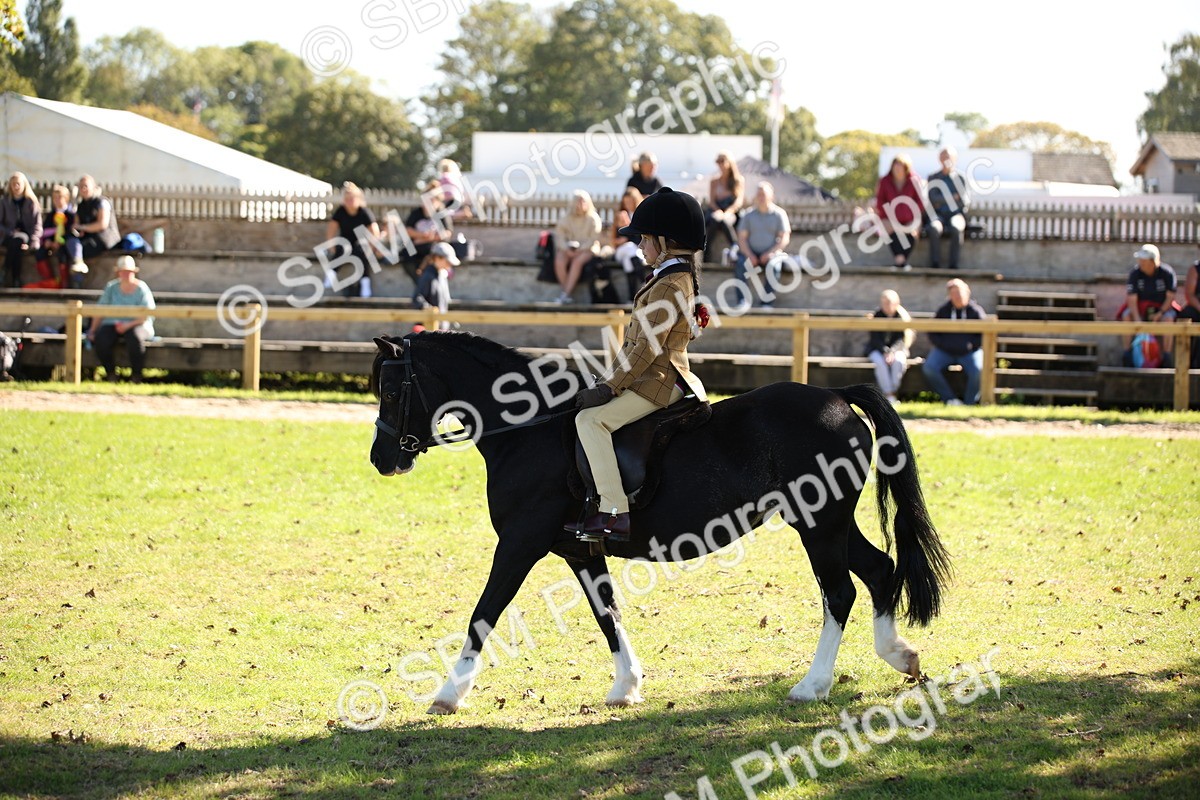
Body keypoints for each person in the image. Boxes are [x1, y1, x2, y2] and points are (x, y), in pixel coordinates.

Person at [570, 187, 708, 541]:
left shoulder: (667, 285)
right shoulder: (675, 277)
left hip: (659, 380)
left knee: (590, 421)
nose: (640, 246)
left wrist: (607, 388)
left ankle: (614, 513)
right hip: (657, 373)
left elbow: (645, 349)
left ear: (666, 241)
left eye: (645, 239)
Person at [87, 255, 155, 383]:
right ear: (118, 272)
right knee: (101, 338)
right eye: (123, 271)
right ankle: (111, 374)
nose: (126, 274)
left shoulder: (141, 288)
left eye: (128, 271)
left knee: (134, 338)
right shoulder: (111, 287)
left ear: (134, 272)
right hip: (113, 323)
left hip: (138, 324)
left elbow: (146, 314)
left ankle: (136, 376)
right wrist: (92, 330)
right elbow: (100, 310)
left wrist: (127, 326)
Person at [922, 278, 987, 405]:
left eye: (960, 292)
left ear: (967, 293)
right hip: (945, 351)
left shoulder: (975, 311)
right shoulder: (943, 310)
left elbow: (984, 333)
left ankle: (969, 403)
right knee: (929, 367)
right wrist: (941, 344)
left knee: (978, 370)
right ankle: (950, 400)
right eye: (954, 293)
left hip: (969, 353)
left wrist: (972, 345)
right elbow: (932, 330)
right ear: (949, 296)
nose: (957, 296)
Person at [1118, 244, 1179, 368]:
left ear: (1153, 261)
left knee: (1168, 319)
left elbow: (1170, 297)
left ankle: (1167, 357)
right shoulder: (1135, 273)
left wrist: (1160, 313)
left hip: (1162, 308)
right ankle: (1127, 354)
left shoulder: (1167, 273)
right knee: (1127, 316)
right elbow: (1132, 299)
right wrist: (1138, 320)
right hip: (1140, 309)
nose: (1141, 263)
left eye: (1144, 261)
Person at [734, 181, 790, 309]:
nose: (761, 197)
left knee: (775, 266)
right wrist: (749, 255)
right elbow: (742, 239)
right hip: (750, 253)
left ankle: (766, 303)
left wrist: (771, 253)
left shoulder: (779, 214)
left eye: (763, 194)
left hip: (772, 254)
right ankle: (742, 302)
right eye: (758, 194)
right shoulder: (748, 215)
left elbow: (784, 238)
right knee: (740, 264)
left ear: (771, 196)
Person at [325, 181, 385, 298]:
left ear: (358, 199)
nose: (349, 201)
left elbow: (374, 231)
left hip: (360, 244)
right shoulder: (340, 212)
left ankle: (365, 284)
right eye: (347, 199)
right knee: (342, 248)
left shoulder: (364, 212)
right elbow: (331, 229)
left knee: (363, 251)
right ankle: (331, 274)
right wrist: (330, 244)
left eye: (352, 198)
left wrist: (373, 247)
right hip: (345, 242)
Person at [865, 289, 915, 405]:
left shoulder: (902, 317)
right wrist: (885, 351)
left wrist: (891, 351)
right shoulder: (876, 316)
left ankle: (892, 391)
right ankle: (888, 394)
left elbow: (901, 339)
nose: (887, 306)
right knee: (880, 362)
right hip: (877, 349)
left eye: (889, 303)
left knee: (898, 361)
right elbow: (875, 339)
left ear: (896, 303)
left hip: (897, 349)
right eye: (884, 303)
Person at [552, 189, 602, 304]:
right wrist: (566, 249)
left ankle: (565, 294)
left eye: (583, 202)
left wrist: (580, 250)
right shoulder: (566, 218)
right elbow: (559, 236)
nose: (580, 205)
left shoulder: (593, 218)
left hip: (588, 249)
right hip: (569, 249)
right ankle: (567, 294)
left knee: (577, 262)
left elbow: (593, 238)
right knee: (559, 260)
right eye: (578, 202)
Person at [875, 155, 924, 270]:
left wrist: (909, 216)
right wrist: (891, 216)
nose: (897, 169)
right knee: (890, 230)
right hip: (890, 219)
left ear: (906, 168)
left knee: (912, 231)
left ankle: (900, 261)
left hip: (910, 218)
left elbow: (920, 202)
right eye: (895, 166)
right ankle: (900, 261)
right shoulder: (884, 181)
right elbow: (880, 201)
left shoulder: (914, 180)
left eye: (900, 167)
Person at [924, 147, 970, 269]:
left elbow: (963, 202)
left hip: (956, 214)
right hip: (938, 215)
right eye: (943, 157)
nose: (946, 159)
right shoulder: (933, 177)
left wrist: (942, 199)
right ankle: (935, 264)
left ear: (955, 159)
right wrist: (952, 197)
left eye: (948, 157)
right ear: (939, 159)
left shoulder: (960, 178)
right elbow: (933, 199)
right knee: (934, 228)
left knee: (956, 228)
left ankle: (953, 265)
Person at [1, 172, 44, 288]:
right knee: (16, 243)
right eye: (13, 184)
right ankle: (15, 279)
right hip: (8, 236)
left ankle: (5, 272)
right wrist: (9, 232)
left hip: (26, 236)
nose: (16, 187)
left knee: (17, 242)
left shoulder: (31, 203)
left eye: (18, 184)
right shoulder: (4, 202)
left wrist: (33, 241)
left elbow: (37, 225)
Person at [37, 183, 85, 287]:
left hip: (64, 242)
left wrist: (59, 241)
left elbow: (71, 231)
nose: (57, 200)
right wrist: (48, 241)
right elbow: (45, 230)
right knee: (40, 253)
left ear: (66, 198)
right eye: (55, 198)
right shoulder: (51, 215)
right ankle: (50, 281)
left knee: (62, 254)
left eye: (60, 197)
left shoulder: (71, 214)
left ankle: (65, 283)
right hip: (52, 243)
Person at [705, 151, 744, 262]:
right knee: (714, 220)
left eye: (722, 161)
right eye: (718, 162)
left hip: (731, 211)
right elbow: (711, 201)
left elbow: (738, 201)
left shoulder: (738, 181)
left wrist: (727, 213)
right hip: (716, 211)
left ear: (729, 162)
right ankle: (707, 252)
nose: (720, 164)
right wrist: (719, 211)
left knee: (724, 221)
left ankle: (735, 246)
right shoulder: (714, 181)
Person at [611, 187, 647, 302]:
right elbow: (613, 239)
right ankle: (643, 281)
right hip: (623, 250)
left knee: (629, 261)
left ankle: (631, 298)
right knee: (630, 248)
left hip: (635, 251)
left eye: (630, 201)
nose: (628, 204)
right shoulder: (621, 215)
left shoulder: (640, 215)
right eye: (626, 202)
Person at [73, 175, 121, 260]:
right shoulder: (81, 206)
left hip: (105, 239)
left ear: (93, 187)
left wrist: (83, 227)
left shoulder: (102, 202)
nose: (83, 189)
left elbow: (102, 225)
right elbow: (77, 224)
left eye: (86, 186)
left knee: (80, 250)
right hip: (89, 238)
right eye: (81, 187)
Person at [415, 241, 458, 327]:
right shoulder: (428, 276)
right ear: (437, 258)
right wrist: (431, 310)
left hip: (441, 326)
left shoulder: (442, 275)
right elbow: (417, 298)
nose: (449, 265)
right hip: (430, 327)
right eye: (447, 261)